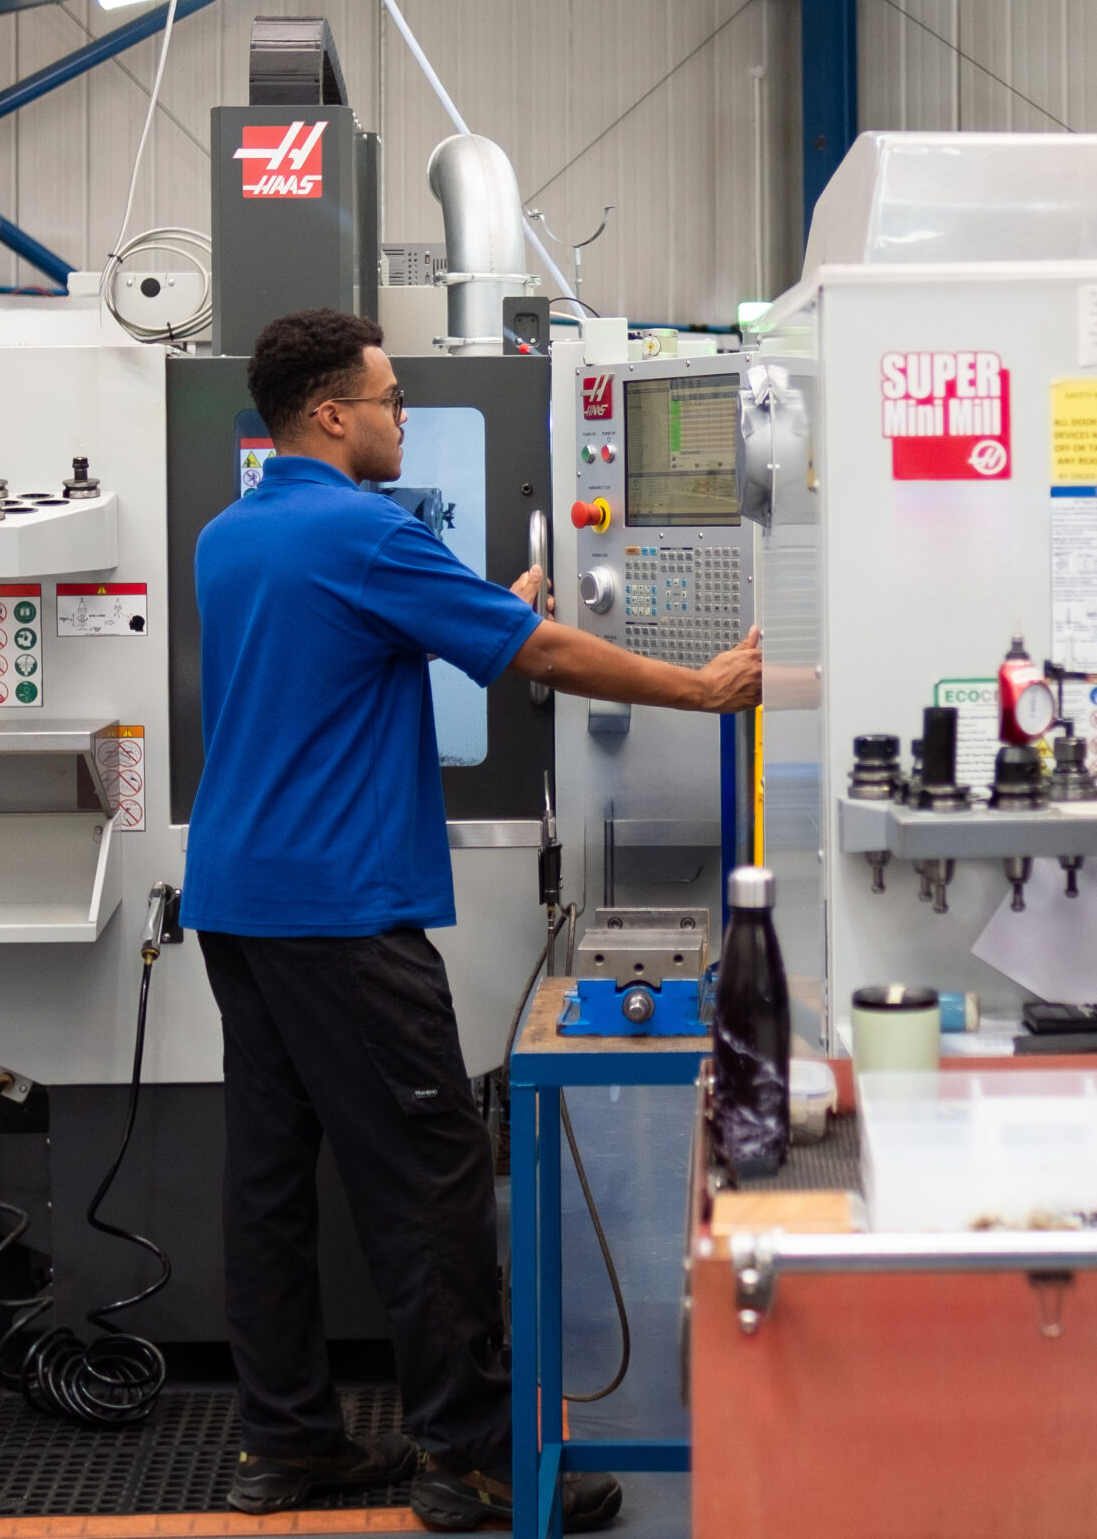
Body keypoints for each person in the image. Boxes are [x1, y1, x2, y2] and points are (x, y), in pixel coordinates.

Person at [183, 309, 760, 1533]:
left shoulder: (229, 536)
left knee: (268, 1181)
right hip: (342, 909)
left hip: (240, 899)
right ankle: (476, 1459)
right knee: (429, 1181)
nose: (399, 417)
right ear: (331, 414)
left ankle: (285, 1441)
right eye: (388, 399)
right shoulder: (366, 533)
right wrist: (702, 687)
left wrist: (478, 607)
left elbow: (340, 654)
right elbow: (539, 655)